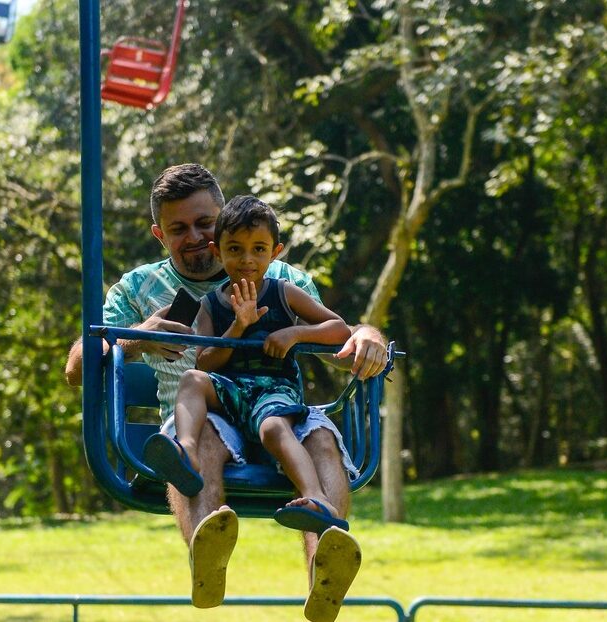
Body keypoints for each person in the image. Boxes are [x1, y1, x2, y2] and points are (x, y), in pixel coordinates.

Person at [65, 164, 387, 621]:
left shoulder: (277, 277)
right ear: (160, 234)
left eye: (204, 223)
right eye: (179, 229)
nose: (195, 237)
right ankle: (206, 554)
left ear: (221, 222)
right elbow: (77, 368)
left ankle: (326, 569)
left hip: (278, 406)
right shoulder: (139, 288)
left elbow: (337, 336)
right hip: (207, 412)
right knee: (205, 437)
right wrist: (135, 335)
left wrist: (368, 334)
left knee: (321, 437)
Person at [167, 195, 353, 537]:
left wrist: (295, 333)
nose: (247, 260)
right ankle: (187, 451)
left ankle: (316, 497)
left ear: (275, 252)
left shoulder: (284, 293)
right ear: (218, 251)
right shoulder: (210, 304)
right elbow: (205, 363)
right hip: (233, 392)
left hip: (273, 390)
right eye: (235, 249)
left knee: (272, 428)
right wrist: (237, 326)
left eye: (258, 249)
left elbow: (338, 329)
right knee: (192, 379)